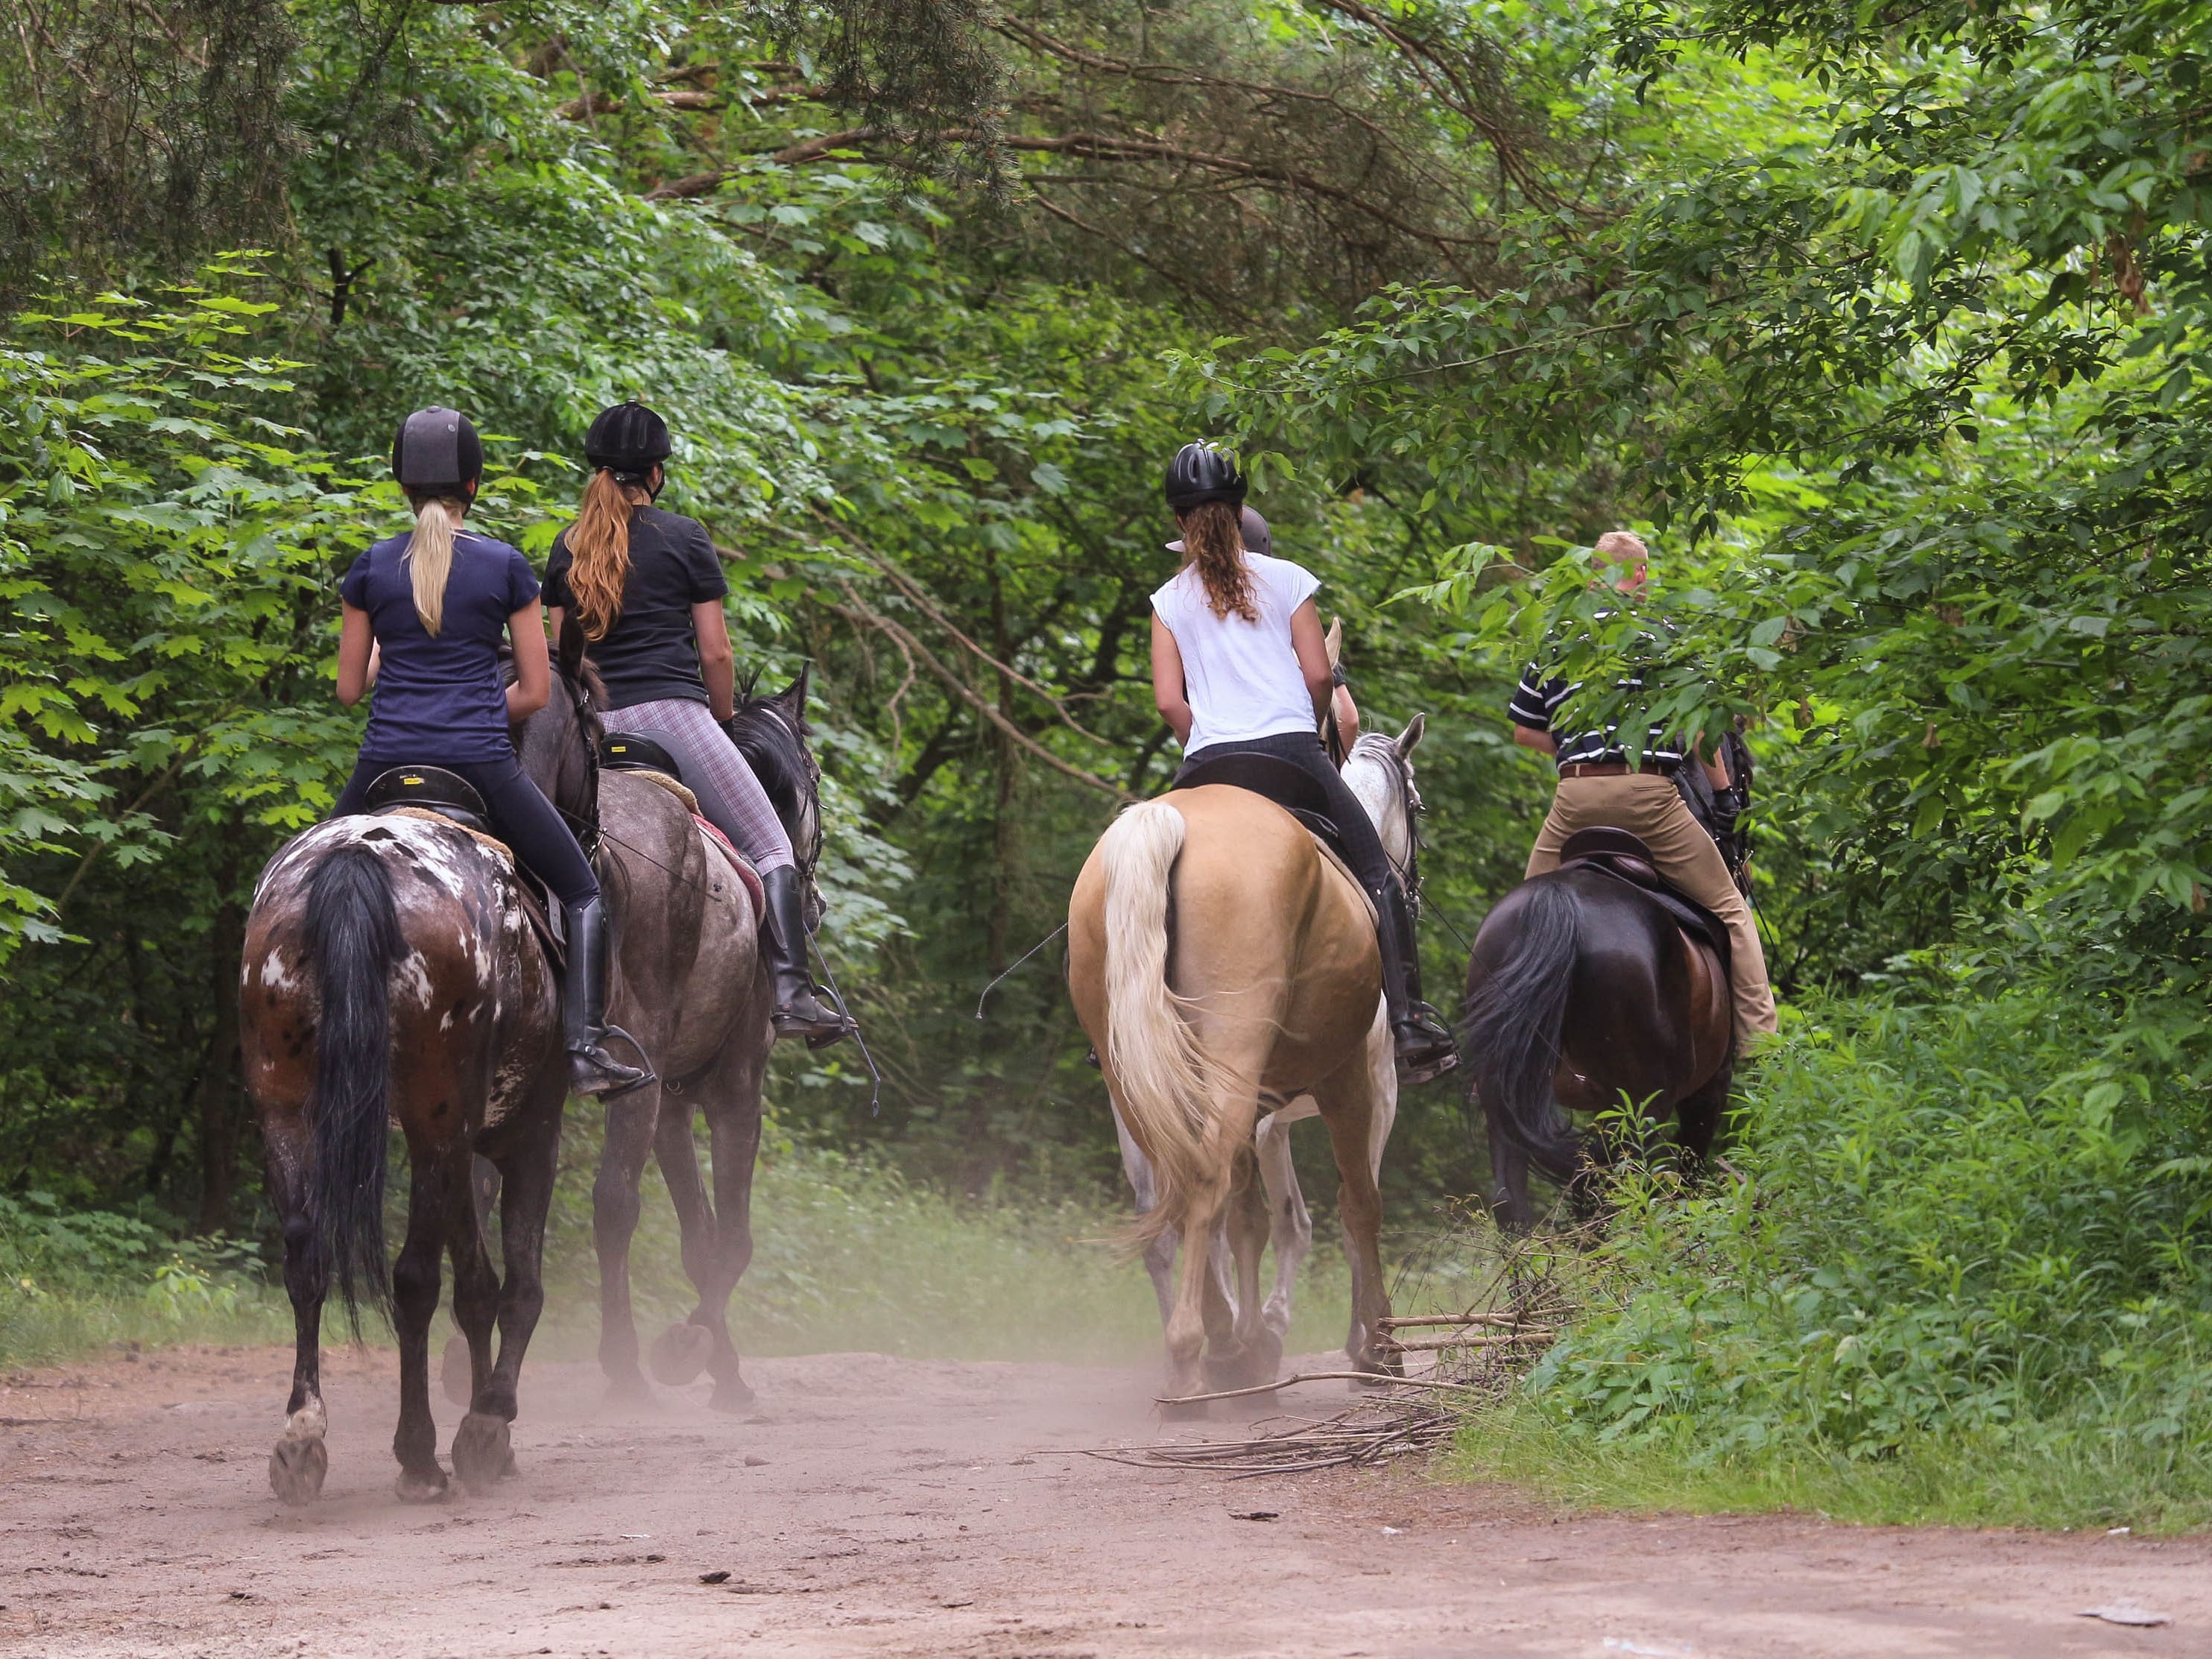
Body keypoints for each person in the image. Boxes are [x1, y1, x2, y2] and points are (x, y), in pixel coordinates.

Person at [332, 406, 651, 1097]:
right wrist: (472, 712)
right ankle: (585, 1048)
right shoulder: (506, 566)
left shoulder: (369, 569)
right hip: (479, 763)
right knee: (584, 890)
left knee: (305, 879)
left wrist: (397, 655)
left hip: (382, 763)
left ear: (401, 488)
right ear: (473, 487)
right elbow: (537, 693)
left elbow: (349, 691)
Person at [542, 400, 850, 1044]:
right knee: (770, 845)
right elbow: (716, 651)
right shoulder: (684, 537)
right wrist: (723, 717)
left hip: (594, 728)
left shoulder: (567, 546)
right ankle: (793, 994)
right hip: (671, 716)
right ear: (655, 472)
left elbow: (564, 658)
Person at [1149, 442, 1459, 1084]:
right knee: (1377, 869)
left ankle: (1116, 1025)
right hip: (1291, 754)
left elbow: (1167, 702)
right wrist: (1303, 723)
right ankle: (1407, 1023)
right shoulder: (1288, 578)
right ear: (1239, 510)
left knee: (1146, 868)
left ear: (1179, 521)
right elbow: (1319, 676)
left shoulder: (1167, 599)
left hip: (1208, 761)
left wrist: (1204, 737)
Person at [1508, 529, 1778, 1043]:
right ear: (1640, 575)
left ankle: (1506, 1052)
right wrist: (1722, 797)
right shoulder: (1666, 635)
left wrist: (1575, 751)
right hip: (1649, 799)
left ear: (1593, 576)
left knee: (1525, 915)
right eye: (1644, 571)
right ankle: (1762, 1050)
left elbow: (1525, 730)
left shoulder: (1560, 640)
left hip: (1576, 800)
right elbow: (1702, 732)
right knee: (1732, 912)